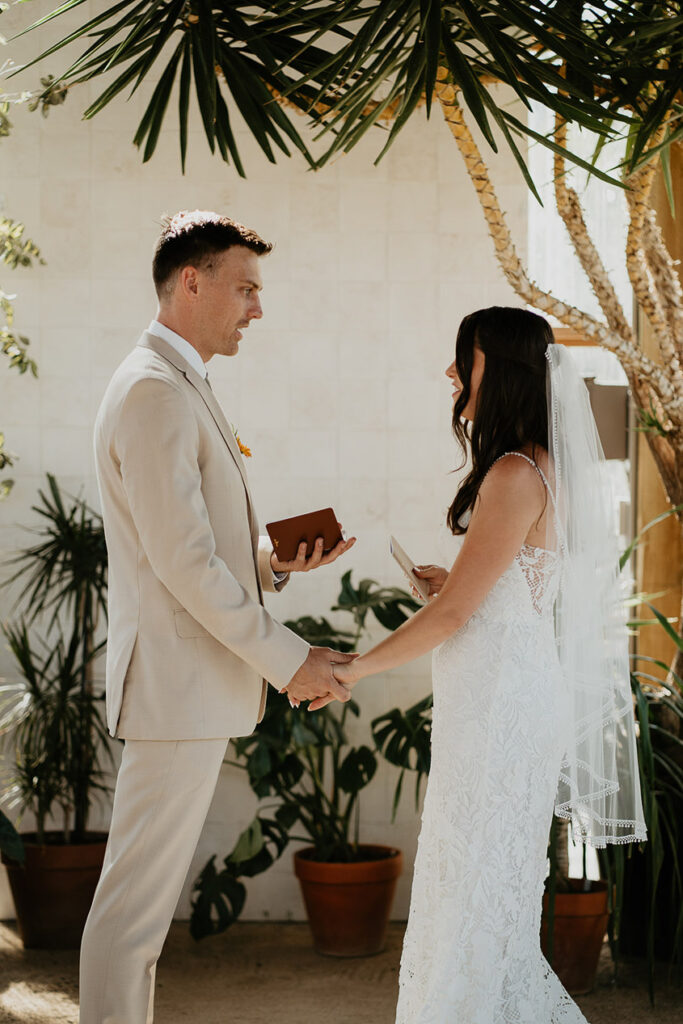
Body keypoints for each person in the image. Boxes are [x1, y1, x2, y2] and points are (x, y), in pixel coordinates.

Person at [320, 306, 646, 1023]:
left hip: (498, 710)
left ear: (493, 369)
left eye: (460, 356)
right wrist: (456, 580)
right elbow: (500, 590)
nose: (447, 371)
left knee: (470, 892)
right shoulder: (536, 464)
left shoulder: (511, 472)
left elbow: (453, 617)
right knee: (474, 893)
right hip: (502, 699)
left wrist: (354, 669)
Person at [80, 210, 356, 1024]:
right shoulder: (153, 390)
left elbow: (187, 546)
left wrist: (271, 564)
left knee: (137, 917)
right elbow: (182, 564)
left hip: (187, 685)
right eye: (245, 289)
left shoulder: (177, 381)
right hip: (174, 688)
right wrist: (289, 656)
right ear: (190, 282)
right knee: (132, 917)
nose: (256, 309)